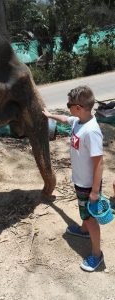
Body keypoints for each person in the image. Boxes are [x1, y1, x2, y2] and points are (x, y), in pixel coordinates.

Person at [42, 85, 104, 272]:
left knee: (91, 218)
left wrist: (94, 190)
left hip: (88, 185)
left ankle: (96, 255)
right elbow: (64, 119)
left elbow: (99, 163)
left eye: (69, 103)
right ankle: (84, 231)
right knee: (84, 213)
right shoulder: (78, 121)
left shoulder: (91, 131)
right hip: (80, 181)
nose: (67, 107)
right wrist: (49, 115)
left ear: (78, 107)